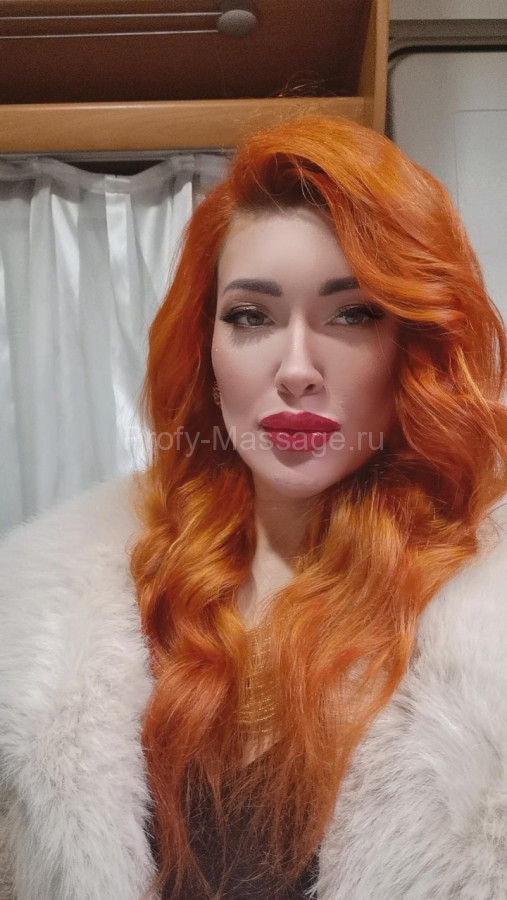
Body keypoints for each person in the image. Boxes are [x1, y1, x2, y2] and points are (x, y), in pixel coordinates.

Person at [0, 115, 506, 900]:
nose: (296, 368)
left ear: (412, 347)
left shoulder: (482, 632)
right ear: (204, 350)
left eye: (351, 313)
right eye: (250, 316)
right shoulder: (61, 614)